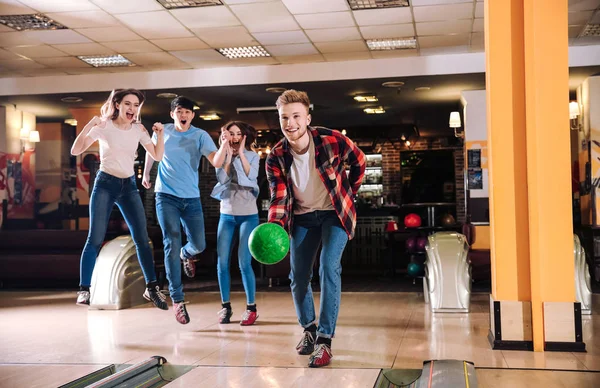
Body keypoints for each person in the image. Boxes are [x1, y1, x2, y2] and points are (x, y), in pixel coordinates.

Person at [266, 89, 365, 368]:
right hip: (303, 218)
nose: (290, 123)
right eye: (284, 117)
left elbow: (359, 161)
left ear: (307, 118)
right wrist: (275, 226)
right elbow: (279, 196)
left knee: (328, 266)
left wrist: (350, 192)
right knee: (298, 276)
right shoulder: (276, 156)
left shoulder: (332, 140)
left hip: (335, 214)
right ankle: (308, 330)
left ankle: (325, 341)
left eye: (296, 116)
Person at [71, 88, 167, 310]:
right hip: (105, 184)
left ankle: (151, 287)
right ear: (117, 105)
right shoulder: (104, 126)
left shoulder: (138, 129)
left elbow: (157, 155)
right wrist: (89, 125)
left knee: (142, 238)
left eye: (136, 105)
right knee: (95, 238)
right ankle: (85, 289)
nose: (132, 109)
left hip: (129, 186)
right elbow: (76, 150)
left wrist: (159, 135)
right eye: (128, 104)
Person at [142, 96, 227, 324]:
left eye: (188, 111)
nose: (184, 114)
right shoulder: (163, 131)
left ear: (193, 115)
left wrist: (225, 145)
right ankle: (178, 301)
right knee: (171, 240)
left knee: (198, 244)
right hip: (165, 196)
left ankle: (186, 254)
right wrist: (145, 174)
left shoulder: (200, 135)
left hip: (191, 199)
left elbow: (216, 161)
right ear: (173, 114)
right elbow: (152, 153)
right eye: (180, 110)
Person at [211, 121, 260, 326]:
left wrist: (240, 153)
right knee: (222, 263)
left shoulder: (253, 156)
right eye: (231, 133)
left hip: (249, 215)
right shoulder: (221, 156)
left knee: (243, 262)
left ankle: (251, 308)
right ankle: (226, 307)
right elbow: (223, 178)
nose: (235, 137)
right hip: (227, 215)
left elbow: (251, 176)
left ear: (244, 136)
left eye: (238, 133)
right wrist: (228, 155)